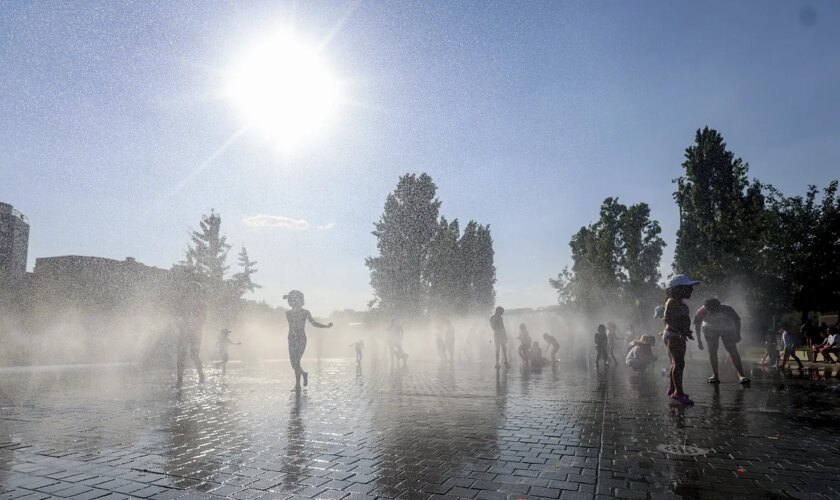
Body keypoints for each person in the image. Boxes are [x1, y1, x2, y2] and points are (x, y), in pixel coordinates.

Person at [662, 274, 700, 405]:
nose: (691, 290)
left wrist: (686, 331)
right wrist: (680, 330)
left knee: (676, 363)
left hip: (678, 334)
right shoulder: (672, 301)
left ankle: (673, 388)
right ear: (678, 288)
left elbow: (682, 319)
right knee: (679, 363)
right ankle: (678, 393)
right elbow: (667, 318)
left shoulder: (680, 302)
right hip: (673, 335)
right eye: (688, 287)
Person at [284, 290, 333, 391]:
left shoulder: (305, 312)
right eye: (291, 300)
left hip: (301, 339)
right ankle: (304, 374)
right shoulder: (288, 313)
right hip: (291, 339)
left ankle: (297, 385)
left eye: (295, 299)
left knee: (296, 362)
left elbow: (313, 323)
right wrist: (289, 296)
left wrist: (326, 327)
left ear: (299, 300)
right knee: (293, 363)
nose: (293, 301)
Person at [694, 298, 750, 384]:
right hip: (709, 328)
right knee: (712, 351)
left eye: (714, 310)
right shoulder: (701, 311)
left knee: (732, 350)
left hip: (726, 327)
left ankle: (741, 374)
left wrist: (738, 334)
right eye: (709, 310)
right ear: (706, 308)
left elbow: (737, 321)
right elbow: (697, 325)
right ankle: (715, 375)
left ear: (719, 307)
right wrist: (699, 341)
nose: (712, 312)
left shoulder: (727, 309)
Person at [174, 274, 206, 388]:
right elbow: (177, 318)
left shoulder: (202, 304)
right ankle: (180, 379)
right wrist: (181, 324)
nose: (193, 293)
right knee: (181, 355)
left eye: (195, 291)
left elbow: (202, 320)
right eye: (191, 290)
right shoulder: (183, 304)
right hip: (185, 332)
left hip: (195, 333)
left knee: (194, 355)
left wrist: (192, 324)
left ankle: (201, 375)